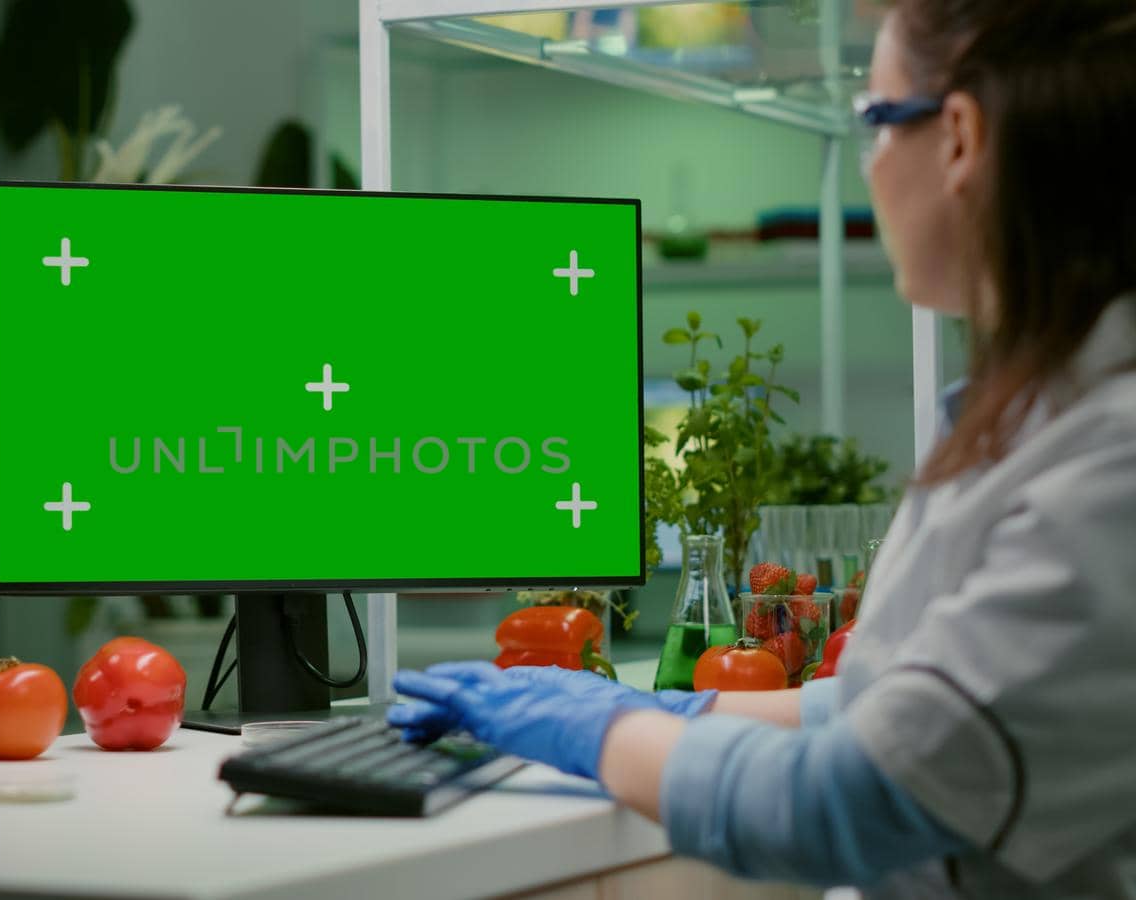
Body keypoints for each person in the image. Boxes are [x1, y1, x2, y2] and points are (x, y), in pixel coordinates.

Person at [389, 1, 1136, 896]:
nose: (868, 162)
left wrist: (595, 733)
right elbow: (903, 709)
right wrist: (681, 707)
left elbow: (850, 801)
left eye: (874, 119)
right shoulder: (1046, 420)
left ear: (963, 138)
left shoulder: (1109, 469)